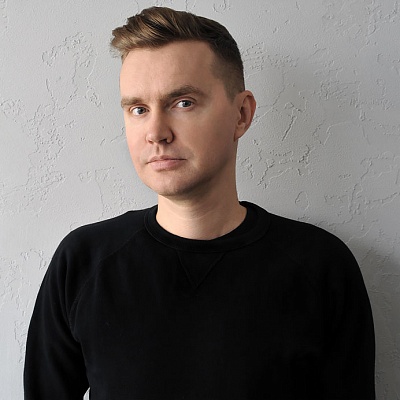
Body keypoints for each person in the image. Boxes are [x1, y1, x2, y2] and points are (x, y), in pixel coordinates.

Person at [24, 6, 375, 400]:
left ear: (241, 114)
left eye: (183, 103)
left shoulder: (321, 266)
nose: (156, 132)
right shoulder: (83, 262)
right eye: (138, 109)